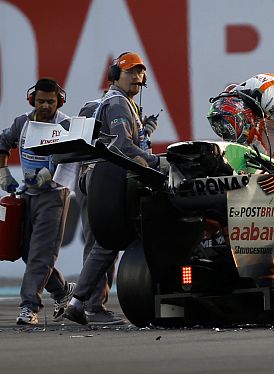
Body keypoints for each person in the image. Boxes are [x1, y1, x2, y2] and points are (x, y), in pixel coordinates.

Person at [64, 51, 163, 325]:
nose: (137, 77)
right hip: (103, 179)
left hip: (96, 178)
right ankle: (91, 307)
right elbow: (120, 146)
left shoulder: (121, 104)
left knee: (103, 243)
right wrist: (157, 161)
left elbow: (119, 141)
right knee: (104, 243)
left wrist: (145, 133)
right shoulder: (119, 104)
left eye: (140, 72)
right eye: (130, 71)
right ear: (115, 75)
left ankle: (88, 304)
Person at [0, 78, 79, 326]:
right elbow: (2, 143)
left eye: (51, 102)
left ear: (59, 101)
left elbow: (76, 155)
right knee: (26, 251)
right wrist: (3, 173)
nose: (45, 106)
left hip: (54, 196)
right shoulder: (22, 123)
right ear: (32, 99)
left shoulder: (64, 125)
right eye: (41, 101)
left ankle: (28, 307)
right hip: (28, 195)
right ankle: (61, 290)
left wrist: (52, 171)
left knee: (41, 254)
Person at [208, 73, 274, 163]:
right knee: (266, 157)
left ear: (244, 116)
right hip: (267, 114)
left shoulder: (265, 97)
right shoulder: (233, 100)